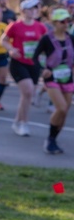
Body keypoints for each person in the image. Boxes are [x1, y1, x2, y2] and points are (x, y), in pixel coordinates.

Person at [1, 0, 48, 137]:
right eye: (31, 8)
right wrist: (11, 49)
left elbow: (47, 43)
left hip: (34, 64)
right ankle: (24, 123)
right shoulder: (15, 26)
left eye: (36, 8)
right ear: (23, 11)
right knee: (27, 92)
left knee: (27, 95)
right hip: (18, 62)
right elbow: (3, 40)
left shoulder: (41, 27)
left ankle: (17, 121)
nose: (34, 11)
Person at [33, 8, 74, 155]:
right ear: (55, 23)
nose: (66, 24)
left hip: (67, 77)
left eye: (68, 21)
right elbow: (35, 56)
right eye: (62, 21)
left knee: (64, 113)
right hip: (52, 77)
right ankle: (49, 139)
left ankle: (53, 140)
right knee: (61, 108)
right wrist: (42, 70)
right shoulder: (47, 39)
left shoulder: (70, 38)